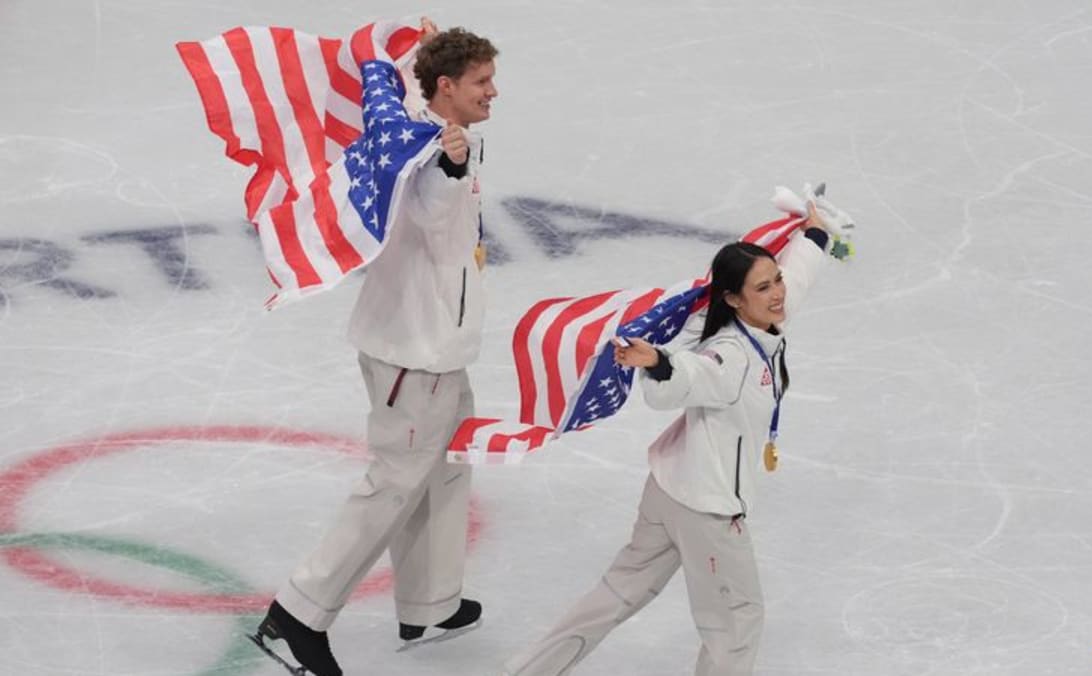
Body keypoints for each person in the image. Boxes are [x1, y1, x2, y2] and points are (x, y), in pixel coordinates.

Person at [251, 20, 500, 676]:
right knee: (392, 484)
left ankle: (428, 603)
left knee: (443, 473)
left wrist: (418, 43)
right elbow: (429, 205)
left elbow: (410, 95)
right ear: (446, 87)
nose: (493, 91)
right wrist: (450, 163)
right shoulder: (426, 151)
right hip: (414, 357)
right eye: (481, 81)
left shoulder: (425, 118)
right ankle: (296, 614)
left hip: (436, 345)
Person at [502, 202, 837, 676]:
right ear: (735, 299)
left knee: (616, 594)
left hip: (667, 491)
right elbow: (690, 377)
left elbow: (797, 280)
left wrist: (815, 236)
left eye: (775, 280)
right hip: (708, 510)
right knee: (737, 624)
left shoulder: (760, 318)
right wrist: (657, 363)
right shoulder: (732, 356)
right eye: (764, 286)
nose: (778, 292)